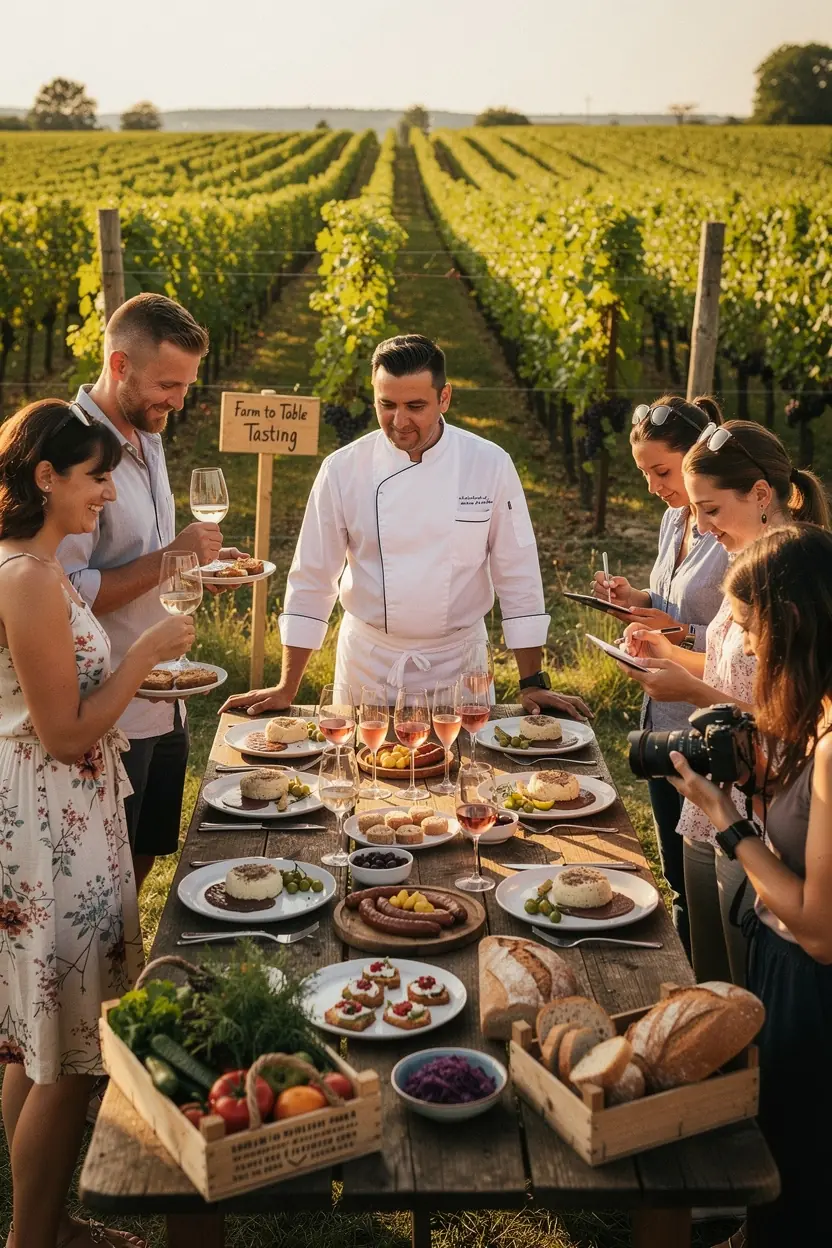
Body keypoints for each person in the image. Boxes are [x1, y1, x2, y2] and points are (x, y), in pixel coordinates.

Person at [0, 399, 193, 1248]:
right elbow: (67, 729)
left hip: (54, 809)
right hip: (54, 823)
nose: (107, 495)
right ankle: (36, 1236)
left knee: (30, 1042)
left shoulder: (22, 566)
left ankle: (41, 1219)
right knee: (70, 1056)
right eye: (95, 477)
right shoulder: (31, 581)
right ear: (46, 478)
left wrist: (126, 679)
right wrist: (144, 659)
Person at [221, 334, 590, 719]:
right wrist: (287, 687)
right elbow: (313, 578)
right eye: (387, 405)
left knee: (466, 774)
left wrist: (533, 683)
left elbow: (519, 575)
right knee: (355, 774)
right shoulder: (343, 469)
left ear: (444, 398)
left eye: (416, 406)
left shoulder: (489, 464)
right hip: (369, 664)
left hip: (459, 666)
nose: (399, 421)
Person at [667, 524, 832, 1248]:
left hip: (812, 989)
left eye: (756, 632)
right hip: (779, 961)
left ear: (794, 621)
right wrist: (764, 790)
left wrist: (725, 821)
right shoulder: (816, 719)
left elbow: (821, 930)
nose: (753, 652)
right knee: (779, 1158)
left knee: (800, 1173)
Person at [621, 420, 829, 984]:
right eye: (696, 512)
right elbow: (732, 671)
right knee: (708, 974)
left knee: (747, 990)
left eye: (710, 510)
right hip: (717, 794)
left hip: (763, 815)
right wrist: (672, 652)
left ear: (761, 495)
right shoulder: (746, 566)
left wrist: (689, 691)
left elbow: (796, 722)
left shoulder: (793, 580)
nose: (703, 527)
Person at [59, 293, 244, 893]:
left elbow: (152, 559)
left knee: (144, 857)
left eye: (186, 386)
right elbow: (61, 596)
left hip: (167, 693)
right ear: (119, 366)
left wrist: (200, 564)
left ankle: (125, 979)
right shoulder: (69, 451)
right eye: (168, 384)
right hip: (107, 707)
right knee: (99, 877)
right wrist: (173, 557)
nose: (178, 401)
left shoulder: (146, 432)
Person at [591, 395, 728, 955]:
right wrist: (637, 598)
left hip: (708, 716)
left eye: (661, 471)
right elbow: (674, 600)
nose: (653, 487)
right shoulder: (676, 518)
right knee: (678, 873)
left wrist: (674, 633)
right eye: (644, 472)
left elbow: (734, 642)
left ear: (697, 456)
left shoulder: (731, 532)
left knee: (711, 880)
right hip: (664, 711)